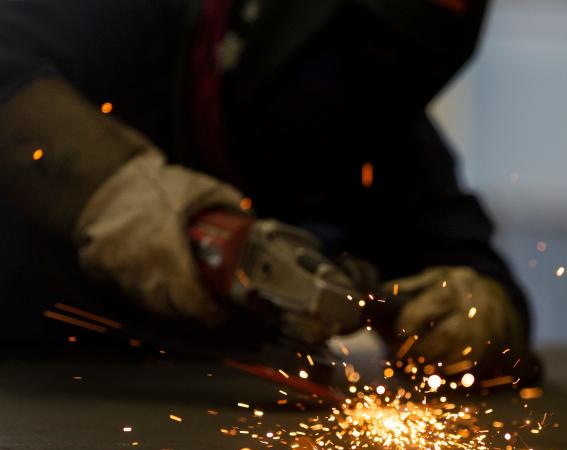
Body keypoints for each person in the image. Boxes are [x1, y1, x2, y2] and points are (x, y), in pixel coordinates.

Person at [0, 0, 533, 375]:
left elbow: (475, 268)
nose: (340, 114)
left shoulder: (387, 131)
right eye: (328, 76)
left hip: (184, 421)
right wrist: (114, 189)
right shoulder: (140, 18)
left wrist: (478, 310)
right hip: (26, 375)